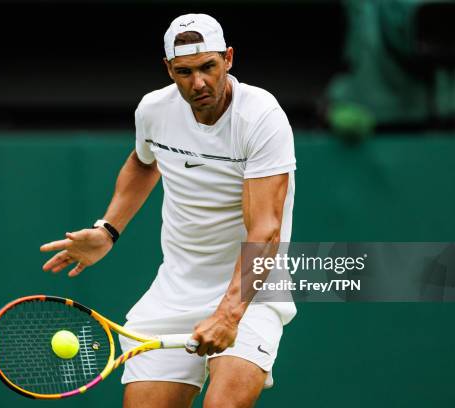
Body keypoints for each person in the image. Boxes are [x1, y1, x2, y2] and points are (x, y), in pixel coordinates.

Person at [41, 13, 297, 408]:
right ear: (168, 69)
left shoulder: (261, 116)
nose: (198, 83)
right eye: (185, 71)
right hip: (174, 292)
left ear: (228, 58)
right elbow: (144, 162)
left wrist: (230, 314)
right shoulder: (154, 111)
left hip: (250, 290)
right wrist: (108, 230)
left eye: (209, 67)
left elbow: (266, 230)